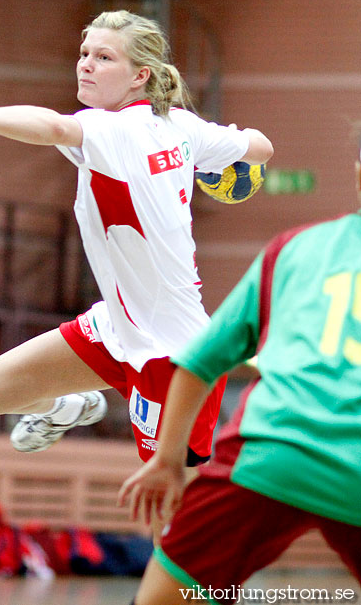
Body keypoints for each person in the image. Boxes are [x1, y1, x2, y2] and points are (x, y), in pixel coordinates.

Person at [0, 10, 273, 470]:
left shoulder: (113, 129)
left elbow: (51, 126)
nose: (86, 64)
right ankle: (68, 407)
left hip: (170, 352)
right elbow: (262, 147)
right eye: (84, 53)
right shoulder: (182, 127)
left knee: (169, 519)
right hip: (114, 327)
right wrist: (228, 153)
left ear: (140, 76)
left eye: (104, 57)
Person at [118, 148, 361, 605]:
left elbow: (198, 360)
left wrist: (169, 461)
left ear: (357, 170)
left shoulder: (294, 248)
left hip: (273, 448)